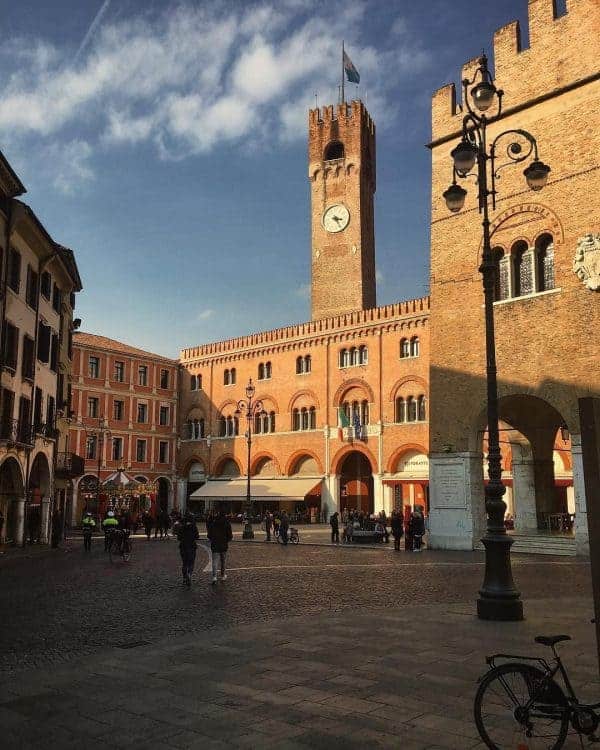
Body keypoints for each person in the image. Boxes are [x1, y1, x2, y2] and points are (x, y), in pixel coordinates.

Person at [207, 506, 233, 584]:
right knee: (223, 561)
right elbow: (230, 535)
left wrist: (212, 539)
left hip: (215, 543)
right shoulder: (227, 522)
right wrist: (227, 540)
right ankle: (223, 576)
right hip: (224, 544)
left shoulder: (214, 522)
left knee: (214, 561)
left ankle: (214, 577)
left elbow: (210, 534)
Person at [177, 511, 199, 586]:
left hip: (183, 546)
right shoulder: (194, 526)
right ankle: (189, 574)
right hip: (192, 546)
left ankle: (184, 578)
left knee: (184, 563)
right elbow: (197, 536)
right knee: (191, 562)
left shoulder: (182, 527)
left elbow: (178, 537)